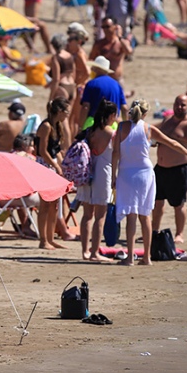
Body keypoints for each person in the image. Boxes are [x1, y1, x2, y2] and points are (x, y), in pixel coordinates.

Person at [112, 100, 187, 266]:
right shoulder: (149, 129)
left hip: (126, 174)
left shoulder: (122, 127)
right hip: (145, 174)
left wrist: (113, 176)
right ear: (145, 114)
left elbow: (116, 153)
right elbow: (172, 143)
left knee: (131, 216)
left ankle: (130, 258)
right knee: (145, 215)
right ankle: (147, 257)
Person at [154, 95, 187, 245]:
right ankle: (154, 231)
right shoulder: (167, 121)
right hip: (160, 168)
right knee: (157, 202)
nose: (179, 107)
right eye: (177, 104)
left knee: (178, 204)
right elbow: (154, 130)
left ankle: (179, 234)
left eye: (183, 105)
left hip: (179, 170)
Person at [76, 100, 117, 261]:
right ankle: (94, 253)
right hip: (103, 174)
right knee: (100, 216)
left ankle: (85, 251)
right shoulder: (111, 133)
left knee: (87, 215)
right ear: (112, 115)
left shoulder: (90, 131)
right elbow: (118, 154)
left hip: (88, 172)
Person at [35, 98, 71, 250]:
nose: (68, 114)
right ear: (60, 111)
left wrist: (62, 166)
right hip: (44, 166)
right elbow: (42, 151)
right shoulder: (46, 126)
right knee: (44, 204)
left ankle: (50, 238)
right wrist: (56, 165)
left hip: (53, 165)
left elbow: (56, 151)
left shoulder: (57, 126)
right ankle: (43, 240)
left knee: (54, 206)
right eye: (67, 111)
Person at [79, 56, 127, 130]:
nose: (92, 69)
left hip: (93, 124)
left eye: (93, 67)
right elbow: (124, 108)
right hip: (112, 125)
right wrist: (126, 128)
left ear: (97, 69)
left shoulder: (91, 84)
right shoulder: (117, 85)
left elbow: (85, 107)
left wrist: (80, 127)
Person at [88, 17, 133, 83]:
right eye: (103, 27)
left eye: (107, 26)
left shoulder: (120, 43)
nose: (105, 29)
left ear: (115, 27)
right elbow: (91, 59)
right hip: (102, 79)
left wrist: (120, 36)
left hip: (116, 79)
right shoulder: (99, 44)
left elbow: (129, 51)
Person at [67, 23, 91, 136]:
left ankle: (73, 140)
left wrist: (77, 83)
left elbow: (87, 72)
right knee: (72, 117)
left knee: (75, 118)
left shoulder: (79, 53)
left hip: (80, 87)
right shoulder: (76, 52)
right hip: (79, 86)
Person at [49, 34, 76, 102]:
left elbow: (56, 79)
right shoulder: (70, 55)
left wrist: (51, 98)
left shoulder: (56, 58)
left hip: (62, 87)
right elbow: (73, 72)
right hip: (72, 85)